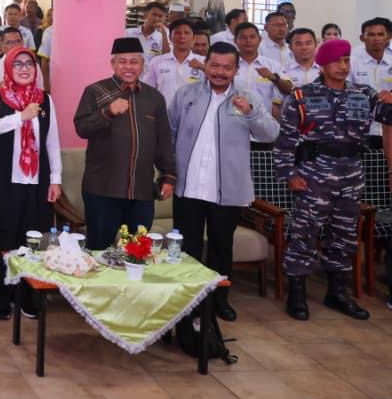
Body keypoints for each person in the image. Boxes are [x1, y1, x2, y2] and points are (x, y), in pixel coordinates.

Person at [276, 38, 392, 321]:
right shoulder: (302, 96)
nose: (343, 66)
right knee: (304, 234)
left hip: (351, 176)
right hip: (314, 176)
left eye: (347, 60)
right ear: (322, 64)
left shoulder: (363, 94)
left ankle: (337, 293)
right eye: (337, 61)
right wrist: (289, 175)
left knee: (345, 234)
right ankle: (297, 293)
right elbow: (285, 142)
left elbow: (387, 115)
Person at [169, 42, 279, 322]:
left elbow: (270, 134)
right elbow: (170, 132)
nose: (219, 72)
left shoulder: (248, 97)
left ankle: (219, 299)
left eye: (226, 67)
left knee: (221, 246)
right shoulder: (186, 95)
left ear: (236, 69)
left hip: (227, 189)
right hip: (188, 187)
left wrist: (251, 112)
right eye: (214, 65)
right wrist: (168, 173)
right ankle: (189, 299)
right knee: (188, 246)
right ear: (205, 65)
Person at [0, 47, 62, 320]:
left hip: (36, 182)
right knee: (5, 241)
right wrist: (21, 117)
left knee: (33, 242)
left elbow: (52, 142)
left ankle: (29, 299)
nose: (24, 69)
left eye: (29, 64)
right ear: (8, 69)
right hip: (4, 182)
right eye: (18, 64)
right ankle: (2, 300)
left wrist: (56, 179)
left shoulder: (45, 100)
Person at [72, 37, 177, 250]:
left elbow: (163, 140)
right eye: (122, 61)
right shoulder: (96, 91)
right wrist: (108, 111)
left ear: (142, 64)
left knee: (136, 252)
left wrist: (168, 176)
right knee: (99, 251)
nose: (128, 67)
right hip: (102, 190)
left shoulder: (154, 98)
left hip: (141, 190)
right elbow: (82, 128)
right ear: (113, 64)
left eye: (134, 61)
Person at [142, 18, 205, 109]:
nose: (182, 36)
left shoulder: (203, 62)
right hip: (164, 113)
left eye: (186, 33)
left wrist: (202, 67)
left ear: (194, 38)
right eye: (177, 33)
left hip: (194, 113)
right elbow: (146, 89)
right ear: (170, 37)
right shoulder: (157, 62)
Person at [351, 17, 392, 151]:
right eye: (371, 35)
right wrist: (373, 96)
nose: (376, 39)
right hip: (362, 130)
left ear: (388, 37)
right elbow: (345, 92)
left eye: (380, 34)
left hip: (389, 129)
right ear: (362, 38)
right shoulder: (352, 63)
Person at [233, 22, 280, 118]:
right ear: (235, 40)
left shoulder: (273, 65)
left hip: (262, 119)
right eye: (243, 37)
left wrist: (273, 77)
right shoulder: (228, 65)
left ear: (260, 39)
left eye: (252, 37)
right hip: (233, 118)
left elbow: (288, 88)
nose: (248, 40)